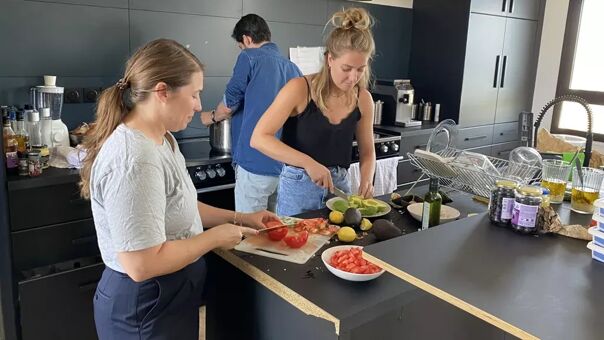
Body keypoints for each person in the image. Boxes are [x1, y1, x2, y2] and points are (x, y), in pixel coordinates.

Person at [79, 39, 279, 340]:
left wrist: (241, 218)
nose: (200, 105)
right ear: (162, 92)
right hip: (143, 304)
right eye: (195, 94)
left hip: (168, 297)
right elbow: (141, 264)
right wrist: (214, 237)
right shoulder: (135, 158)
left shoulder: (164, 139)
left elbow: (181, 206)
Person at [251, 7, 377, 217]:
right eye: (346, 68)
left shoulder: (363, 99)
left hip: (340, 190)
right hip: (298, 190)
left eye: (360, 69)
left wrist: (366, 180)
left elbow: (367, 152)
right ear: (330, 60)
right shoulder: (299, 89)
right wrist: (308, 163)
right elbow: (259, 138)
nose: (353, 77)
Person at [200, 14, 302, 213]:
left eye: (241, 45)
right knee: (275, 231)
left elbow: (229, 105)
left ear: (247, 39)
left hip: (254, 164)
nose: (242, 49)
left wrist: (210, 117)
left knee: (250, 233)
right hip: (284, 168)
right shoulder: (293, 68)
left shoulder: (249, 57)